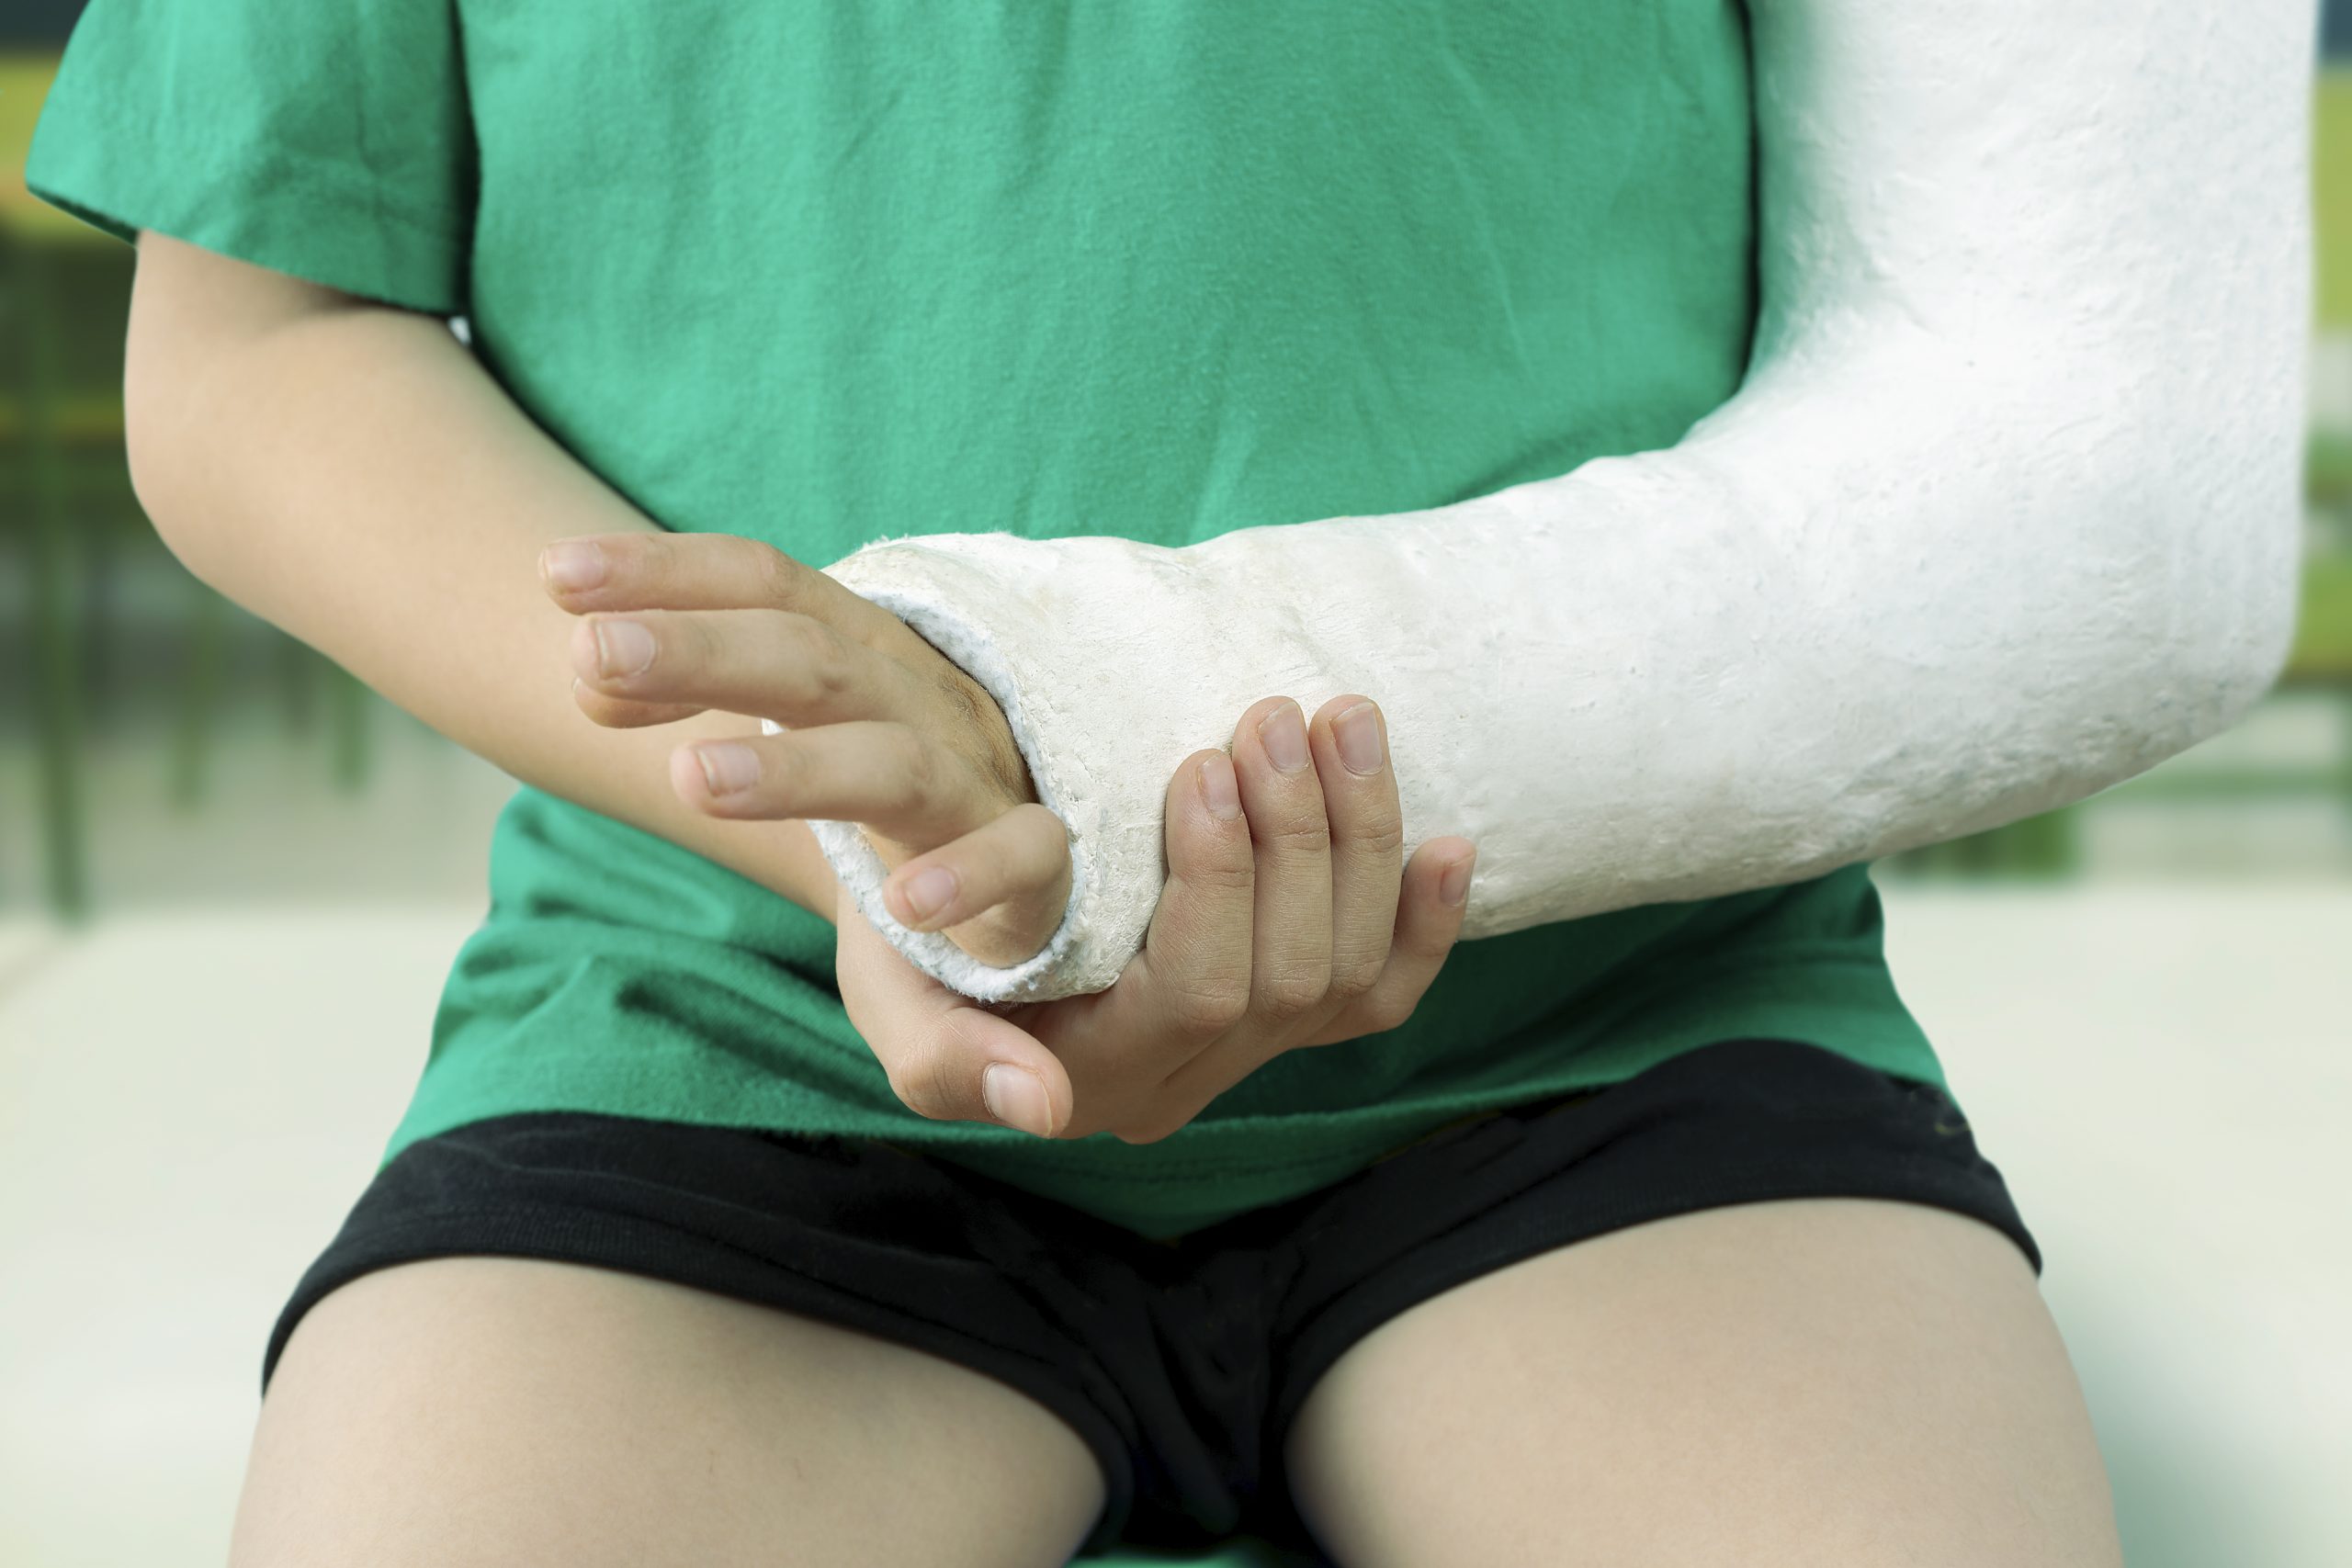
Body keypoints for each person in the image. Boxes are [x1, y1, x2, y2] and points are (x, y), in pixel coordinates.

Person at [26, 0, 2307, 1561]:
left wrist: (1041, 759)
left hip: (1614, 1036)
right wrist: (860, 837)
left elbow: (2040, 403)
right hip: (726, 1024)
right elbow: (254, 352)